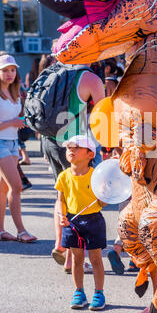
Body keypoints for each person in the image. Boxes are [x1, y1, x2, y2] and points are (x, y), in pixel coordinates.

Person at [42, 63, 105, 272]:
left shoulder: (55, 73)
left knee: (62, 193)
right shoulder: (89, 78)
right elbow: (102, 114)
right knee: (81, 193)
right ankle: (74, 257)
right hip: (78, 143)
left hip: (50, 139)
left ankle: (61, 246)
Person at [0, 54, 37, 242]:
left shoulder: (14, 93)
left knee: (3, 188)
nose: (9, 74)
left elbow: (14, 119)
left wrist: (21, 121)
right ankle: (21, 231)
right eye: (5, 70)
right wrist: (12, 122)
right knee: (17, 186)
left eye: (12, 70)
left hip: (12, 143)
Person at [55, 135, 107, 310]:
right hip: (72, 221)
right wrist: (62, 215)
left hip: (94, 220)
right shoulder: (63, 176)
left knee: (96, 259)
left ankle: (99, 293)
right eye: (69, 148)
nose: (71, 151)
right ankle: (79, 292)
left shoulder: (96, 176)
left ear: (90, 154)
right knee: (77, 259)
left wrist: (103, 197)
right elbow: (61, 200)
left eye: (76, 148)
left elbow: (103, 201)